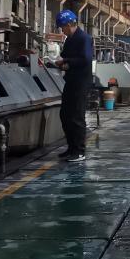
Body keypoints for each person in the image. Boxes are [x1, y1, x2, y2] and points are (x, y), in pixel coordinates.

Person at [54, 9, 93, 162]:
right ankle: (71, 148)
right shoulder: (70, 39)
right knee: (65, 115)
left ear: (69, 24)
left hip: (81, 82)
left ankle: (79, 151)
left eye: (62, 27)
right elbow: (66, 55)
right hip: (71, 80)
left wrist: (67, 62)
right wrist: (60, 61)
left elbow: (85, 59)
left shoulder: (84, 38)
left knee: (77, 116)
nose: (62, 31)